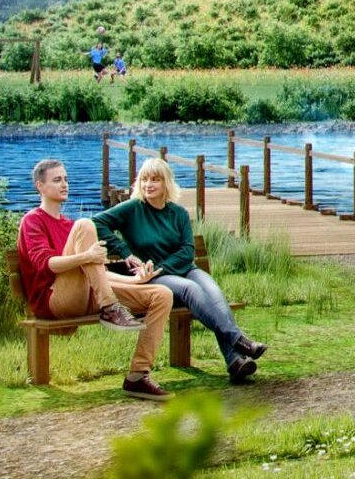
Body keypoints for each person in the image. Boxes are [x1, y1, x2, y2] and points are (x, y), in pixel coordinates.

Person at [96, 158, 266, 382]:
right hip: (155, 278)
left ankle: (235, 359)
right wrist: (124, 251)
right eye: (144, 179)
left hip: (185, 269)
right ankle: (239, 341)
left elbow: (187, 250)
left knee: (215, 294)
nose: (148, 185)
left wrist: (162, 266)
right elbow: (96, 223)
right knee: (190, 289)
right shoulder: (132, 208)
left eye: (155, 180)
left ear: (166, 183)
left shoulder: (178, 213)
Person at [18, 159, 175, 400]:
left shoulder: (68, 225)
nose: (64, 184)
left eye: (66, 179)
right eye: (57, 180)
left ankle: (138, 376)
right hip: (55, 300)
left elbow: (96, 273)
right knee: (86, 224)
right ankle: (111, 308)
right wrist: (85, 256)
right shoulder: (33, 220)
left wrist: (136, 281)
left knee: (162, 295)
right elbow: (46, 264)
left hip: (89, 296)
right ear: (40, 186)